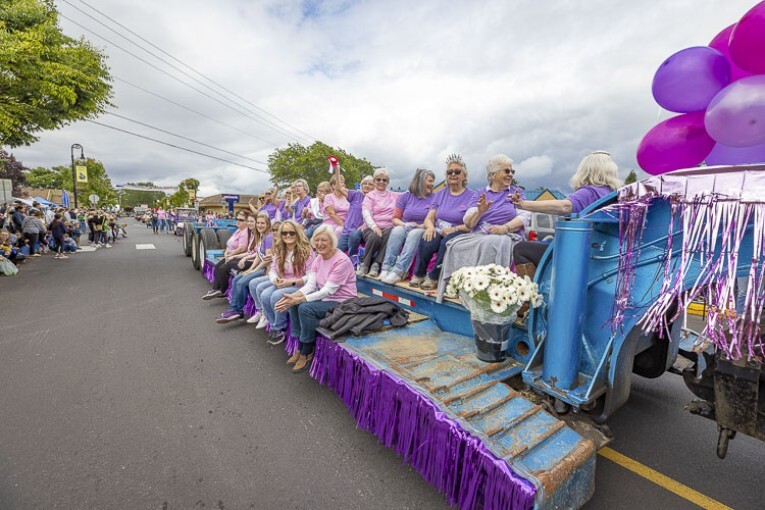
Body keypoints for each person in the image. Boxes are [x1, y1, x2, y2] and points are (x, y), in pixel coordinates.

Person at [435, 154, 529, 300]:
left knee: (492, 243)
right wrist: (480, 212)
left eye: (512, 171)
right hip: (480, 233)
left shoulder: (516, 193)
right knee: (455, 245)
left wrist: (505, 228)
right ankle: (458, 285)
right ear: (492, 175)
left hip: (506, 234)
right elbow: (468, 222)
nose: (510, 174)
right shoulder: (480, 194)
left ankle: (483, 290)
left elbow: (524, 217)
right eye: (506, 171)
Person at [511, 151, 620, 273]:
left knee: (521, 249)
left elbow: (565, 207)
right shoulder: (611, 195)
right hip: (600, 253)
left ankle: (530, 291)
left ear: (586, 170)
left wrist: (524, 204)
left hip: (577, 255)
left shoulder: (589, 192)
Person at [275, 225, 357, 373]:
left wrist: (300, 299)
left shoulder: (341, 261)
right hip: (327, 300)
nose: (319, 243)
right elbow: (311, 285)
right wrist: (294, 297)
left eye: (324, 240)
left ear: (332, 242)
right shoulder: (319, 258)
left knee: (305, 308)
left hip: (343, 302)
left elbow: (327, 291)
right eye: (317, 240)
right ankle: (299, 346)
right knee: (295, 305)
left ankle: (307, 349)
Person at [413, 154, 476, 290]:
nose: (453, 174)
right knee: (427, 239)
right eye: (449, 172)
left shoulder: (472, 196)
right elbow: (429, 217)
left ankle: (434, 277)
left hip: (460, 231)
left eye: (457, 171)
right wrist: (429, 228)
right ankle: (419, 274)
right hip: (440, 229)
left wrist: (454, 229)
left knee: (446, 242)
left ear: (464, 175)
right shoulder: (440, 194)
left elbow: (471, 224)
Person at [249, 220, 315, 345]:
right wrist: (275, 279)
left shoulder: (306, 251)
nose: (288, 236)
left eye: (292, 233)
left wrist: (291, 282)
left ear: (297, 234)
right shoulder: (280, 249)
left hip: (300, 284)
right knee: (264, 294)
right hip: (284, 282)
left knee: (275, 296)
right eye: (284, 233)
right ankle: (273, 323)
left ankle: (279, 327)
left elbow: (311, 277)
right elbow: (273, 269)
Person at [379, 168, 436, 284]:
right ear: (420, 181)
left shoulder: (434, 198)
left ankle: (399, 271)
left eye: (433, 181)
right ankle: (386, 268)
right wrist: (406, 224)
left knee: (414, 234)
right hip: (407, 226)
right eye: (430, 181)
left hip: (422, 228)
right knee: (397, 231)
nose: (432, 184)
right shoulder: (406, 196)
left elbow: (433, 219)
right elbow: (395, 218)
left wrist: (420, 226)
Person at [216, 213, 273, 322]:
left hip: (266, 269)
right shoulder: (261, 236)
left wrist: (253, 270)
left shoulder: (269, 238)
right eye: (258, 223)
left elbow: (267, 260)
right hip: (259, 267)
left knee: (241, 282)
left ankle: (237, 310)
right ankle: (233, 309)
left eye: (263, 223)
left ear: (268, 224)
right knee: (236, 279)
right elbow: (258, 255)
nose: (260, 225)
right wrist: (250, 269)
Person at [357, 168, 399, 278]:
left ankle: (376, 264)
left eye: (384, 180)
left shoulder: (394, 195)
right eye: (378, 179)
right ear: (374, 181)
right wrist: (374, 226)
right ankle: (365, 264)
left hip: (388, 228)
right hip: (370, 228)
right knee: (375, 236)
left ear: (388, 182)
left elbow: (409, 193)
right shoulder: (370, 196)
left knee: (392, 233)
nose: (381, 182)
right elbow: (366, 213)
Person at [202, 211, 251, 299]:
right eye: (237, 219)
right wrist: (226, 252)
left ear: (247, 222)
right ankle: (216, 289)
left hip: (239, 256)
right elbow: (229, 244)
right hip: (231, 255)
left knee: (223, 269)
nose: (238, 221)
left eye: (241, 220)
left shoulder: (245, 232)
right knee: (217, 266)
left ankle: (223, 291)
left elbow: (242, 248)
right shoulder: (238, 231)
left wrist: (231, 254)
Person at [337, 176, 374, 263]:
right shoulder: (355, 195)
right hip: (346, 232)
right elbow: (339, 188)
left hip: (361, 232)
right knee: (335, 253)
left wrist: (364, 225)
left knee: (355, 234)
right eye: (365, 183)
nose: (367, 186)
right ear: (361, 185)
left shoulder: (375, 200)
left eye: (370, 184)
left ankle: (350, 260)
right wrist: (336, 168)